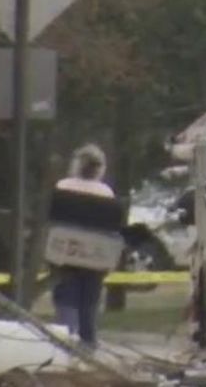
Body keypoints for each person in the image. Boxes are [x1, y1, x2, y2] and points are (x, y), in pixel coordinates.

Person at [51, 143, 115, 347]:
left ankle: (68, 338)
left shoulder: (63, 186)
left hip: (66, 252)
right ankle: (88, 343)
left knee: (66, 297)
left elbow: (54, 219)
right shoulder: (106, 192)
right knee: (89, 302)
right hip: (95, 255)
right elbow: (110, 228)